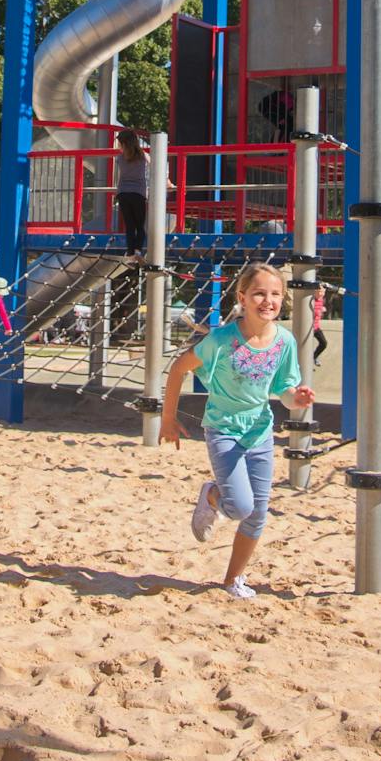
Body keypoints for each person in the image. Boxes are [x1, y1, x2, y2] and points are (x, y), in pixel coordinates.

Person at [159, 263, 314, 601]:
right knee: (242, 507)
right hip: (223, 430)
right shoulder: (221, 340)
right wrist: (167, 419)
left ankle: (233, 579)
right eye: (259, 293)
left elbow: (285, 391)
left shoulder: (284, 341)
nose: (268, 301)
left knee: (257, 514)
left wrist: (297, 399)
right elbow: (178, 369)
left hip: (259, 433)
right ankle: (212, 496)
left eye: (275, 294)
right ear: (242, 298)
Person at [115, 129, 151, 256]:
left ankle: (130, 253)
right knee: (140, 225)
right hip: (138, 193)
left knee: (129, 225)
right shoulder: (143, 156)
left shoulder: (120, 158)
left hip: (123, 193)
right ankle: (138, 250)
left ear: (123, 143)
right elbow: (154, 168)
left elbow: (118, 176)